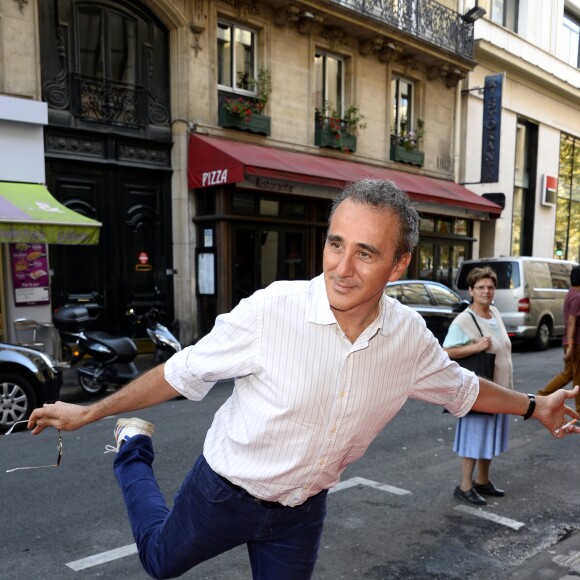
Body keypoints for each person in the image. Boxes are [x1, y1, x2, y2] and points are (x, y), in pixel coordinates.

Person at [27, 179, 579, 580]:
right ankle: (131, 450)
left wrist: (538, 405)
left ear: (399, 265)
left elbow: (463, 389)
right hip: (224, 491)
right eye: (336, 243)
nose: (342, 267)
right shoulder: (273, 310)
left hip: (302, 511)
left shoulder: (409, 338)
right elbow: (182, 370)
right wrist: (90, 412)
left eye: (366, 253)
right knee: (159, 562)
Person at [443, 267, 512, 505]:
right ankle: (464, 486)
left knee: (490, 436)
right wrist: (475, 347)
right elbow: (445, 352)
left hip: (501, 389)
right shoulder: (464, 320)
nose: (486, 291)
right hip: (478, 391)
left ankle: (483, 480)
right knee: (474, 437)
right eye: (480, 287)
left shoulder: (494, 312)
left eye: (490, 287)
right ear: (471, 290)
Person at [537, 265, 580, 412]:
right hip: (576, 342)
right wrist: (571, 345)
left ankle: (541, 396)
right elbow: (572, 321)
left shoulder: (572, 293)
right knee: (578, 378)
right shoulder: (577, 297)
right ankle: (579, 411)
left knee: (568, 374)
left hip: (571, 341)